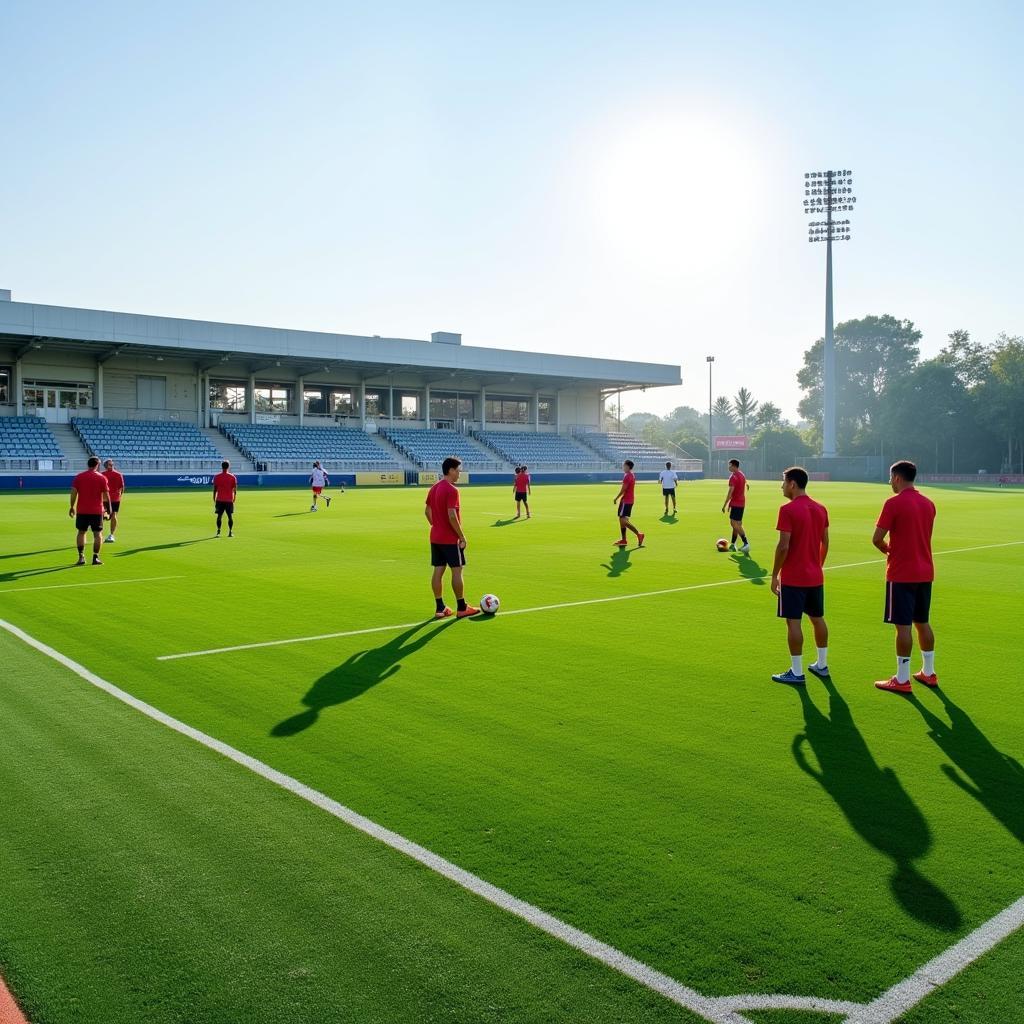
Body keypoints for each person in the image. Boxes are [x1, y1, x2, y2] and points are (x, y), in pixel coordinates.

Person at [872, 460, 938, 694]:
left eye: (890, 478)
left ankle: (902, 678)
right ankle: (928, 672)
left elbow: (877, 538)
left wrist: (887, 549)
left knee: (902, 627)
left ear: (898, 478)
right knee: (922, 622)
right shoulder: (929, 504)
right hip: (925, 570)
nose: (889, 482)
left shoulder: (893, 503)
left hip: (901, 572)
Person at [770, 466, 830, 685]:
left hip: (794, 577)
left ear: (792, 484)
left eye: (783, 482)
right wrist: (817, 565)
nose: (782, 486)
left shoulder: (787, 510)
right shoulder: (821, 508)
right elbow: (825, 542)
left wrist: (775, 574)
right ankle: (822, 665)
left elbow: (783, 546)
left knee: (793, 623)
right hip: (815, 576)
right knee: (817, 619)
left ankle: (797, 672)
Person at [424, 457, 480, 619]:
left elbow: (427, 511)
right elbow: (452, 515)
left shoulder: (434, 488)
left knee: (438, 570)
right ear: (450, 470)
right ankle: (462, 607)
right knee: (457, 570)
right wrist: (461, 536)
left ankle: (440, 608)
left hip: (435, 537)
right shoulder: (452, 490)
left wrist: (436, 526)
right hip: (449, 539)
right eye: (458, 470)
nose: (459, 473)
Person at [69, 456, 110, 566]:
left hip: (82, 510)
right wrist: (108, 510)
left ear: (88, 464)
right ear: (97, 465)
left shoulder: (79, 477)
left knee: (81, 532)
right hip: (96, 511)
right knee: (98, 534)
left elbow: (73, 493)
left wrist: (72, 506)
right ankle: (95, 557)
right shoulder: (102, 478)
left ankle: (81, 557)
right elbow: (106, 496)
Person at [612, 459, 644, 548]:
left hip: (626, 501)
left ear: (627, 466)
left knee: (623, 520)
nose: (623, 467)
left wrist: (616, 498)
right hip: (629, 500)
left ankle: (639, 534)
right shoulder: (631, 475)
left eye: (624, 465)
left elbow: (624, 489)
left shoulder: (627, 476)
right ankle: (624, 540)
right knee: (622, 520)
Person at [722, 458, 750, 552]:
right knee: (736, 524)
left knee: (734, 523)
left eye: (730, 465)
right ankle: (733, 544)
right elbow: (745, 484)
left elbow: (730, 492)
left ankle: (746, 543)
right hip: (741, 502)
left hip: (736, 503)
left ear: (734, 466)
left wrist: (725, 504)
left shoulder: (733, 477)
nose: (728, 467)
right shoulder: (742, 474)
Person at [101, 458, 126, 543]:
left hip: (110, 498)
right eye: (110, 464)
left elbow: (122, 488)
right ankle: (102, 534)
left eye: (112, 464)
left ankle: (110, 535)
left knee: (111, 515)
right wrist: (119, 495)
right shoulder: (117, 474)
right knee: (105, 515)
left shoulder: (103, 474)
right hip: (110, 498)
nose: (111, 465)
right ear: (106, 466)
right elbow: (122, 488)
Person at [213, 460, 237, 537]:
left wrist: (214, 497)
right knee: (230, 516)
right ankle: (230, 532)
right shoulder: (232, 477)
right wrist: (234, 498)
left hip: (219, 499)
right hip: (229, 500)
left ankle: (218, 532)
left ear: (221, 466)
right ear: (228, 466)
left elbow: (215, 489)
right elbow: (235, 490)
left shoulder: (217, 476)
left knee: (219, 516)